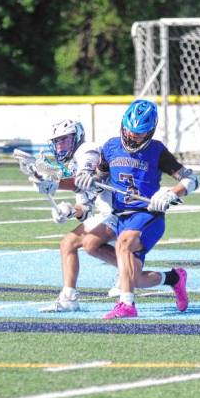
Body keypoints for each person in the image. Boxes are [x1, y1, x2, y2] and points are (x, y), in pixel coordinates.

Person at [75, 99, 200, 319]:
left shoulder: (157, 151)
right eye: (130, 130)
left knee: (123, 244)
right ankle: (173, 278)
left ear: (150, 131)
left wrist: (172, 193)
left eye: (140, 133)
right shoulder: (111, 147)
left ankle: (126, 305)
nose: (133, 136)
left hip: (147, 214)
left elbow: (192, 179)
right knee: (93, 246)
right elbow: (101, 176)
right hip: (119, 215)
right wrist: (88, 178)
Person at [27, 119, 162, 313]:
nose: (60, 145)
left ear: (77, 137)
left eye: (64, 140)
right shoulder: (74, 162)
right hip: (108, 214)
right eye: (57, 142)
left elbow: (84, 180)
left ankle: (69, 298)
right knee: (94, 249)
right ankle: (157, 276)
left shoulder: (87, 151)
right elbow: (85, 208)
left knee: (68, 243)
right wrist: (70, 211)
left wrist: (55, 183)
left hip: (121, 212)